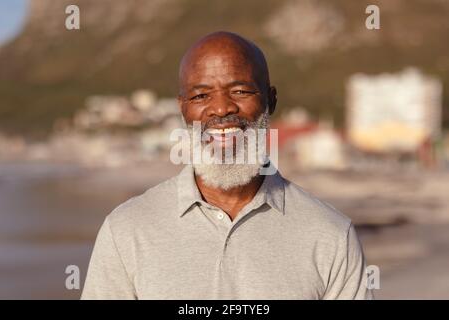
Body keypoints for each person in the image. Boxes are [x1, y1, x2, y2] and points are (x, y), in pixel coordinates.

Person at [81, 31, 373, 300]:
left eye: (240, 91)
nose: (221, 108)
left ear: (270, 100)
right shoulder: (126, 229)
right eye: (201, 96)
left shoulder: (331, 235)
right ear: (183, 109)